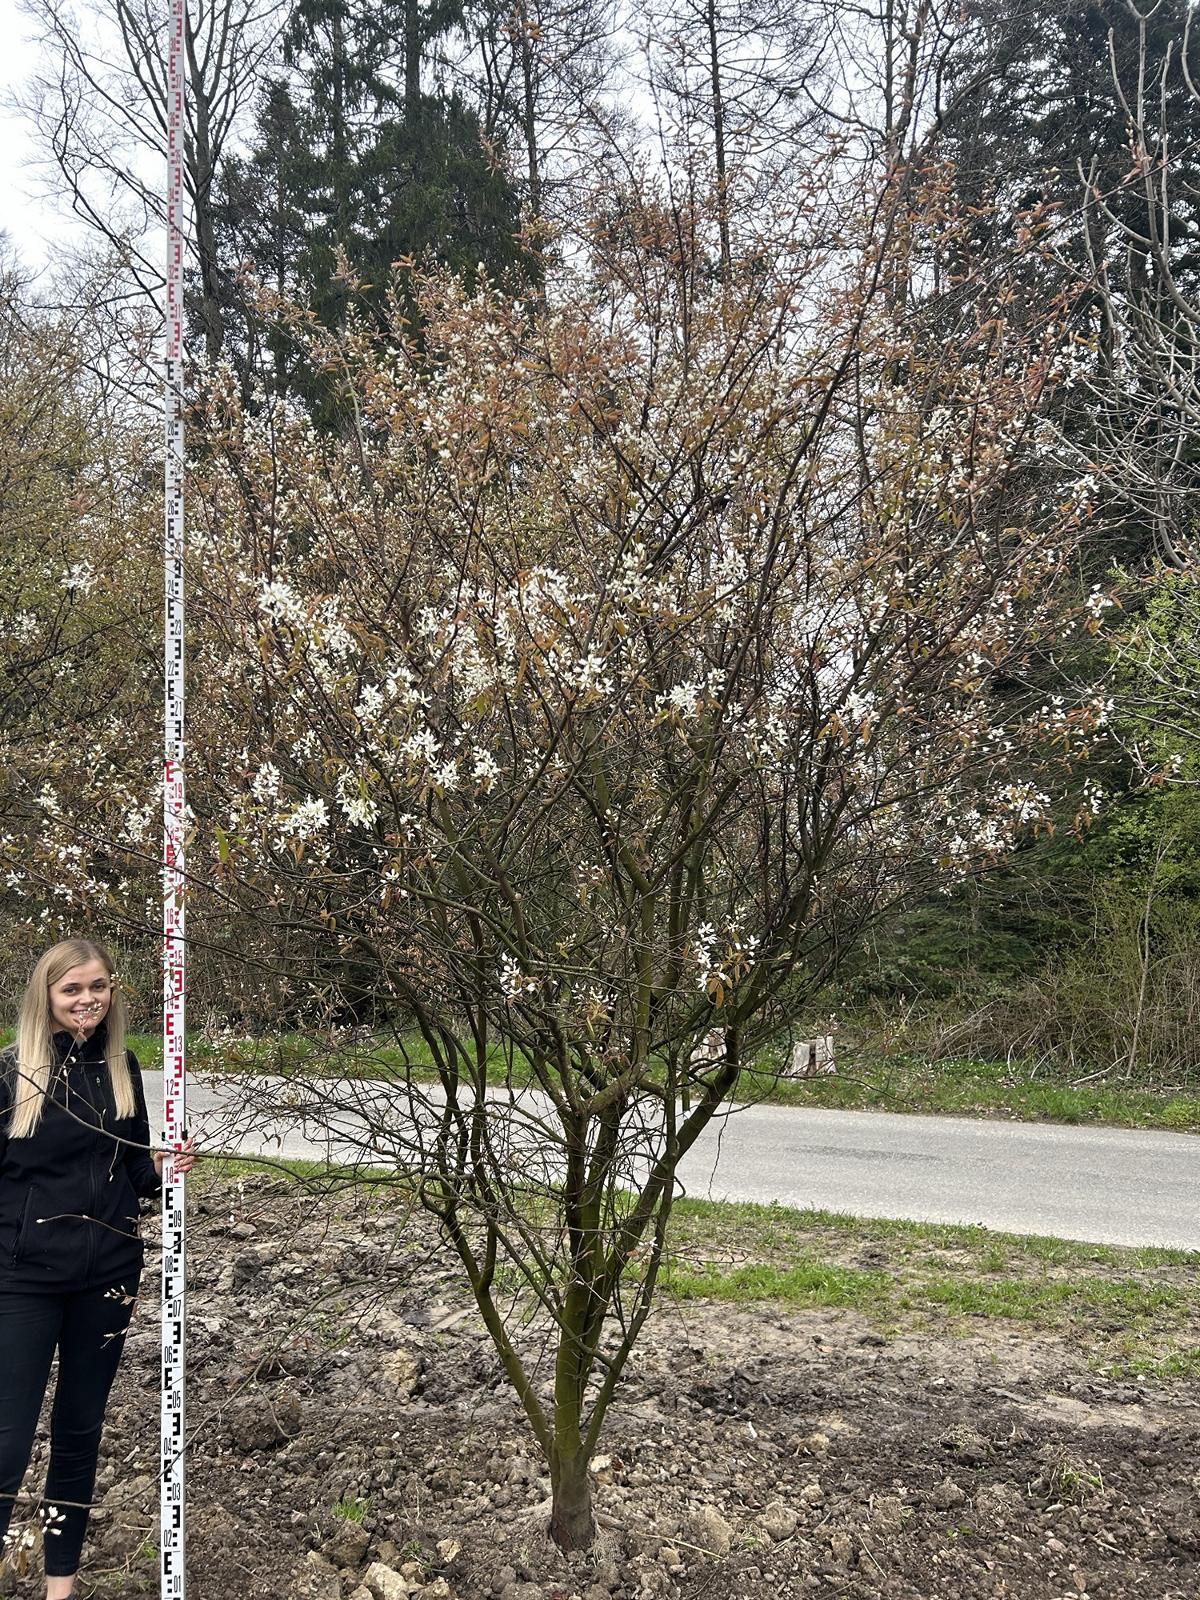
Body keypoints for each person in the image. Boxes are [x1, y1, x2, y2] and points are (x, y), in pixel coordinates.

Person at [0, 937, 195, 1600]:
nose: (88, 1000)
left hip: (107, 1275)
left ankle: (61, 1588)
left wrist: (166, 1174)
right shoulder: (10, 1074)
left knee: (79, 1432)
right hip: (22, 1279)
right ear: (46, 997)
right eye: (72, 990)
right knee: (7, 1442)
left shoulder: (121, 1065)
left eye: (99, 987)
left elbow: (134, 1170)